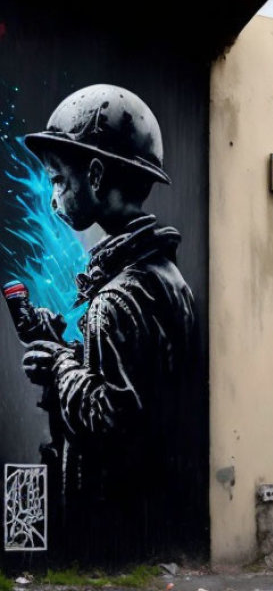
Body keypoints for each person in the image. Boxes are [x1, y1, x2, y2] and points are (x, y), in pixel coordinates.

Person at [6, 84, 199, 563]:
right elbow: (146, 395)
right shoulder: (165, 279)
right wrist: (70, 353)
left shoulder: (118, 298)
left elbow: (113, 420)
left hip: (114, 534)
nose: (53, 198)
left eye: (58, 181)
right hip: (153, 523)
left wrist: (58, 371)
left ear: (94, 174)